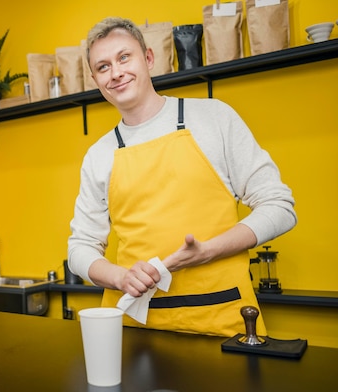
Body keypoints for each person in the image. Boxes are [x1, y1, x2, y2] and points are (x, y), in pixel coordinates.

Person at [67, 17, 296, 337]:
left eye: (124, 57)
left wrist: (209, 251)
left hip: (220, 320)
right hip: (134, 328)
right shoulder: (99, 154)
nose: (116, 72)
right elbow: (80, 248)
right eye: (103, 67)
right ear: (96, 79)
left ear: (148, 58)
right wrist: (120, 278)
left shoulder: (213, 117)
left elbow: (280, 206)